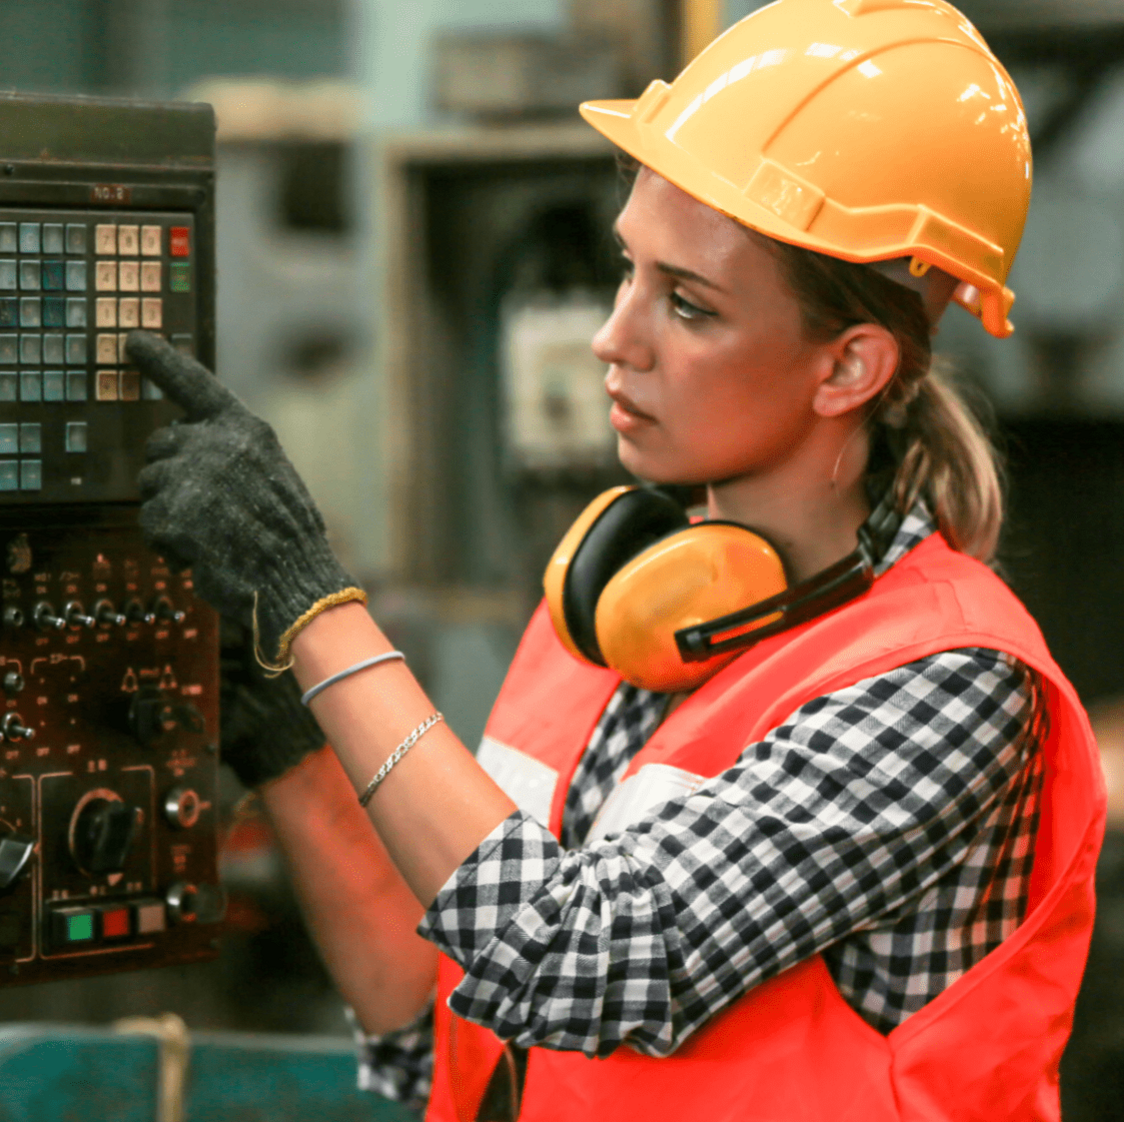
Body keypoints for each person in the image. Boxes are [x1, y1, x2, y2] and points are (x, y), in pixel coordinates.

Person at [126, 0, 1105, 1117]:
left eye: (687, 306)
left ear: (848, 369)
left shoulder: (943, 686)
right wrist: (288, 736)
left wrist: (317, 608)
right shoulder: (605, 616)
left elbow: (572, 959)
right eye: (628, 270)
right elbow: (452, 1030)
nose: (615, 335)